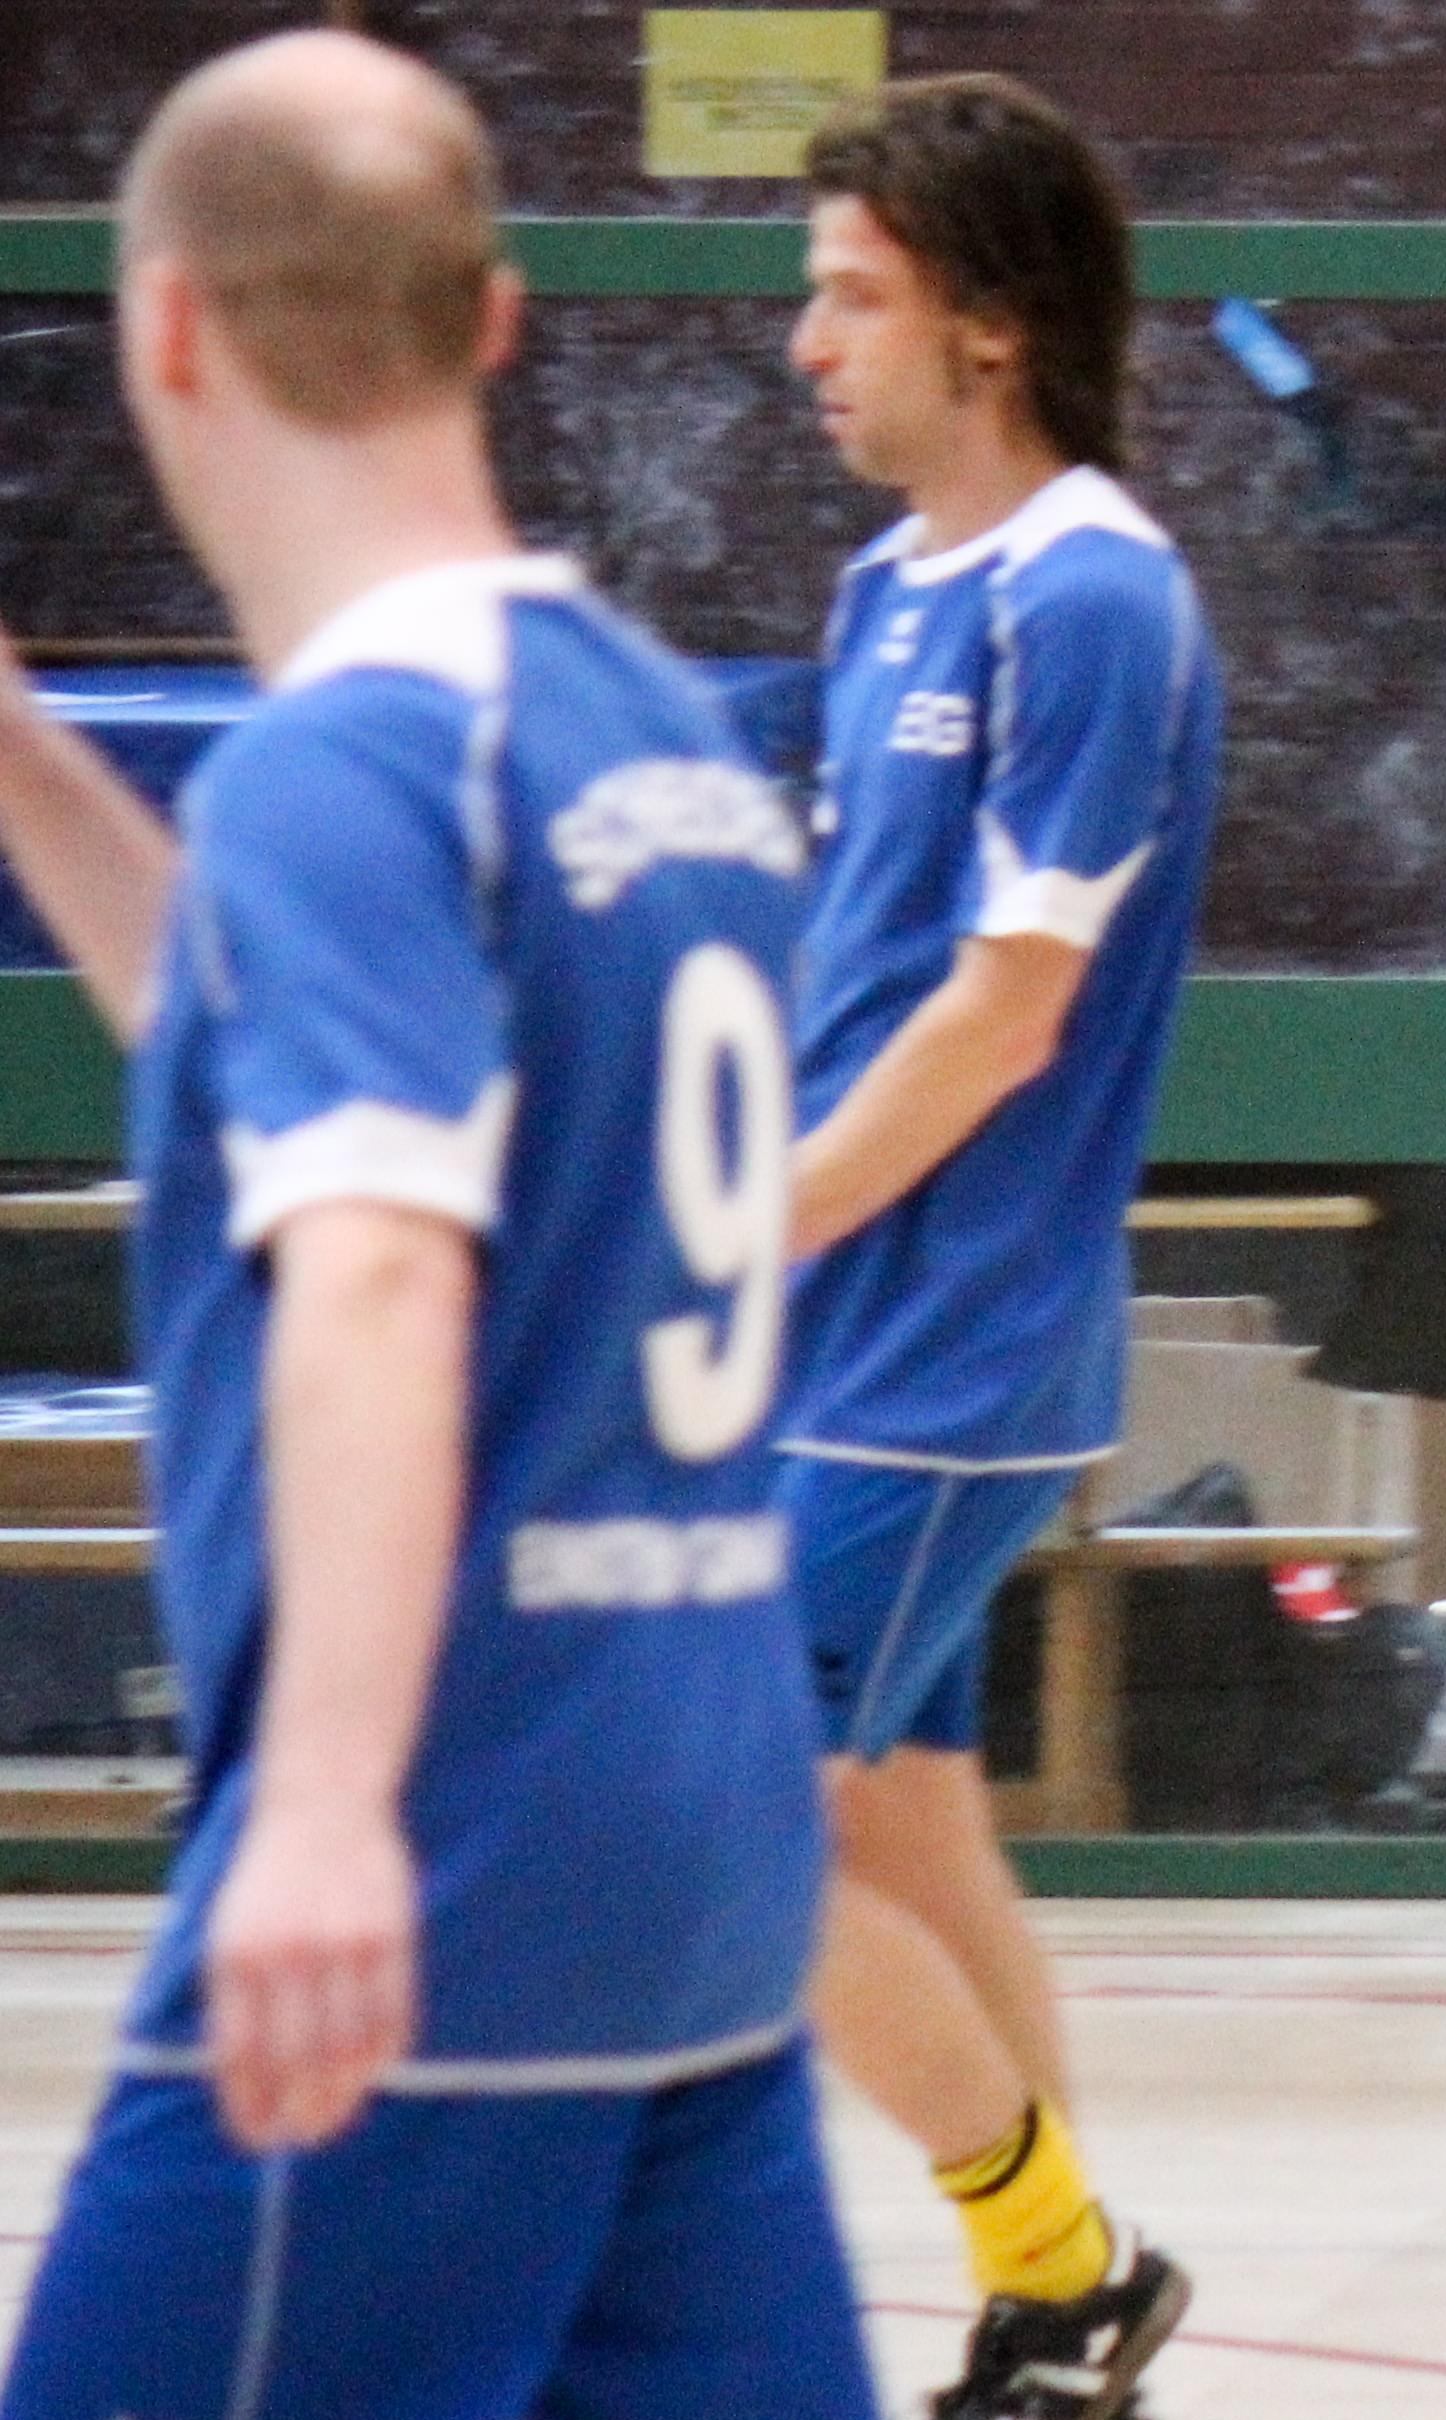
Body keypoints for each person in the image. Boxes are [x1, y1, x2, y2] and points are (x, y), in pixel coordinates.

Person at [0, 31, 872, 2415]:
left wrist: (316, 1810)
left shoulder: (347, 767)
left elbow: (378, 1268)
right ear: (491, 319)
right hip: (701, 1872)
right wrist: (31, 769)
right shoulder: (658, 736)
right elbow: (282, 1052)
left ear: (167, 331)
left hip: (445, 1867)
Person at [778, 72, 1220, 2417]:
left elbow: (1006, 1005)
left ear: (995, 322)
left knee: (727, 1817)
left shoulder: (1092, 595)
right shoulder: (890, 589)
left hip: (942, 1342)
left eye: (854, 295)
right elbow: (858, 971)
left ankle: (1068, 2270)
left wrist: (742, 1235)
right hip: (839, 1323)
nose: (808, 344)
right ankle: (1061, 2303)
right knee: (907, 1815)